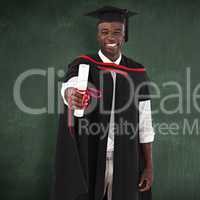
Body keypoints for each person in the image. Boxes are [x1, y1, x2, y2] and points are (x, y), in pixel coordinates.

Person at [52, 6, 155, 200]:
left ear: (124, 36)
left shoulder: (137, 71)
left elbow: (145, 124)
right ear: (98, 35)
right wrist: (71, 92)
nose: (111, 37)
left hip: (127, 158)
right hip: (91, 155)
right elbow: (70, 84)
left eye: (117, 32)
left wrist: (149, 167)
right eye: (104, 32)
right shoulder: (83, 65)